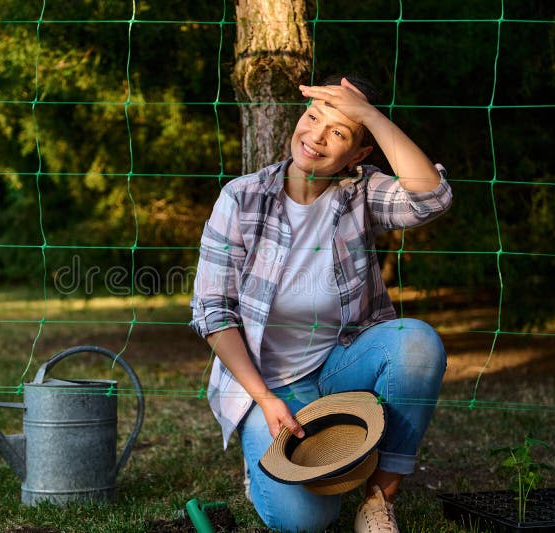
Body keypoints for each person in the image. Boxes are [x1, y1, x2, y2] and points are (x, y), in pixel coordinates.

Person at [189, 73, 452, 533]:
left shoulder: (360, 193)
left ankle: (378, 498)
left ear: (359, 154)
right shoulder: (243, 197)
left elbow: (432, 197)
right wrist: (265, 398)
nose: (316, 137)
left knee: (417, 343)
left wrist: (368, 113)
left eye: (339, 132)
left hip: (336, 368)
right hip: (267, 389)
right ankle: (267, 470)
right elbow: (212, 313)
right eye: (313, 118)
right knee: (306, 521)